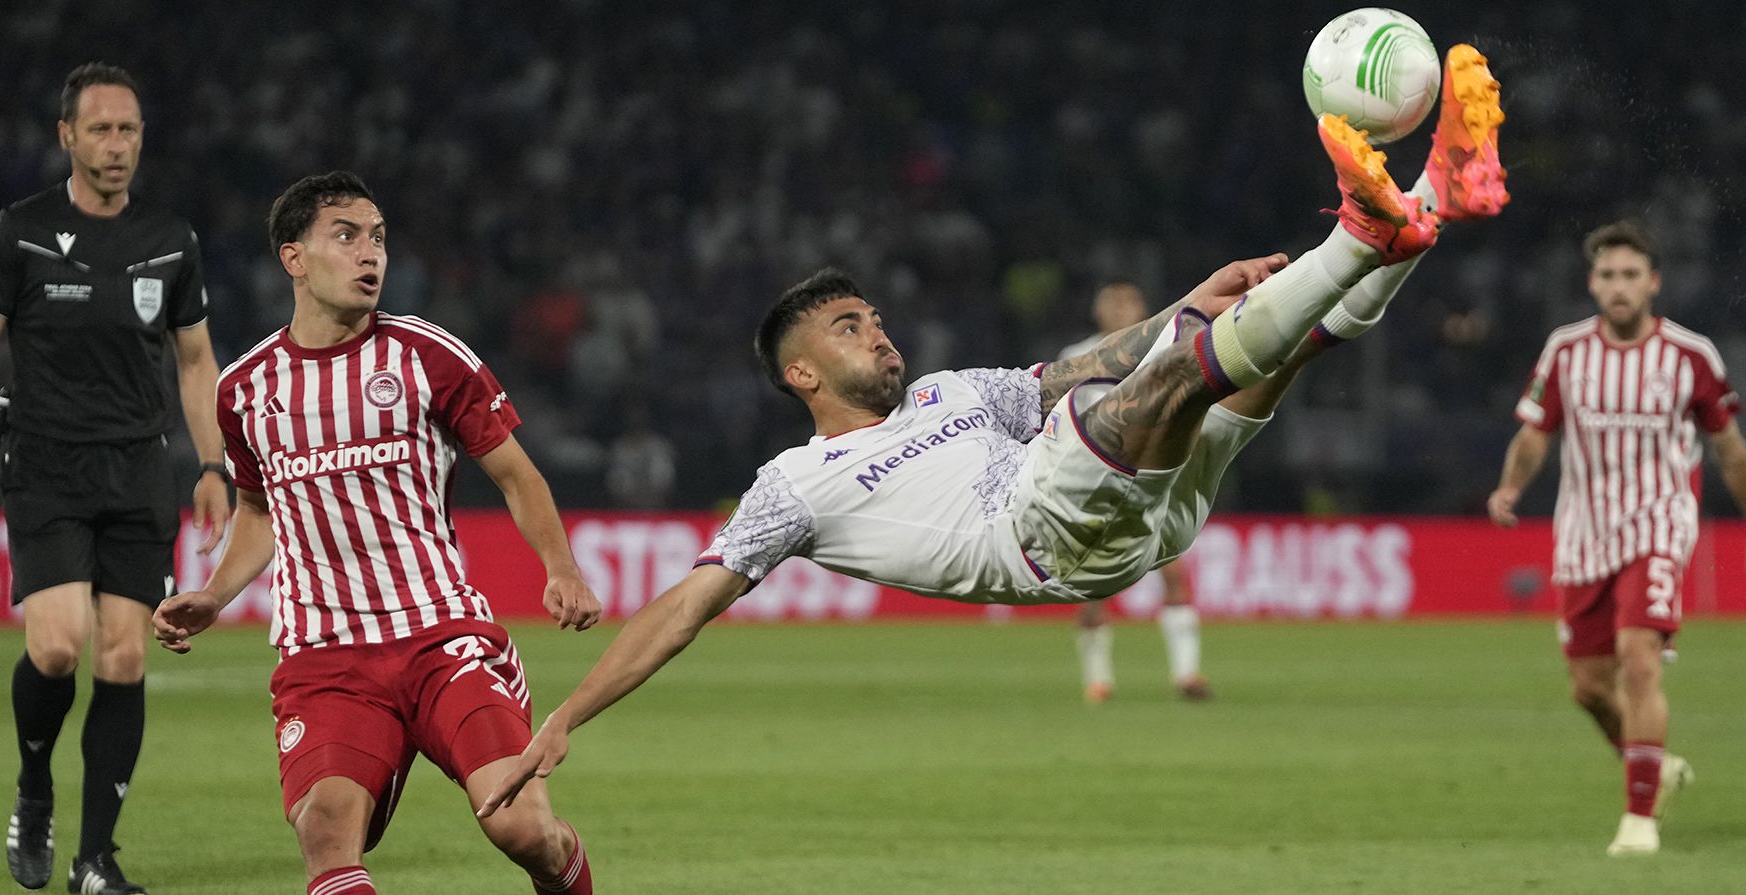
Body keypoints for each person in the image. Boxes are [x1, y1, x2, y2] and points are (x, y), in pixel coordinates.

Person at [480, 46, 1513, 823]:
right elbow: (681, 608)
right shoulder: (794, 483)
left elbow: (1080, 367)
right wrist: (567, 714)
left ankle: (1436, 197)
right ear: (802, 373)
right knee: (1154, 392)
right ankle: (1363, 229)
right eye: (848, 328)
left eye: (873, 314)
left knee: (1267, 350)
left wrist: (1189, 297)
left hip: (1145, 520)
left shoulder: (946, 392)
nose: (875, 329)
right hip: (1038, 536)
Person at [150, 172, 602, 895]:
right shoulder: (244, 389)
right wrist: (214, 594)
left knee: (521, 828)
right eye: (348, 235)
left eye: (380, 238)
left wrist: (560, 566)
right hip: (325, 654)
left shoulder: (426, 356)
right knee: (326, 833)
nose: (372, 254)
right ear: (294, 257)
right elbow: (262, 510)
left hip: (440, 636)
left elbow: (518, 475)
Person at [0, 62, 229, 894]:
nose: (116, 146)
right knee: (60, 645)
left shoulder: (171, 238)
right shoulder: (21, 231)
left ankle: (95, 861)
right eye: (99, 129)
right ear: (66, 136)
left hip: (139, 468)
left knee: (126, 655)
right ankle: (35, 788)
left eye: (128, 130)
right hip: (47, 465)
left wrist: (211, 463)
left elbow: (197, 359)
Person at [1488, 218, 1746, 856]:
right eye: (1608, 276)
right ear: (1593, 284)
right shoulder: (1566, 351)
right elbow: (1536, 434)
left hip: (1659, 523)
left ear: (1653, 283)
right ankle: (1654, 765)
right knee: (1589, 687)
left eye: (1631, 275)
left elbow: (1729, 451)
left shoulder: (1690, 356)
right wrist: (1510, 487)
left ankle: (1638, 818)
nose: (1619, 287)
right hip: (1584, 533)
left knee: (1640, 660)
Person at [1060, 282, 1210, 703]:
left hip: (1152, 476)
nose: (1122, 310)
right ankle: (1098, 680)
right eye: (1113, 303)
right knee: (1093, 587)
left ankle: (1187, 675)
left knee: (1173, 572)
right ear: (1098, 311)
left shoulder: (1166, 350)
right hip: (1092, 482)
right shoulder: (1076, 356)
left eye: (1130, 302)